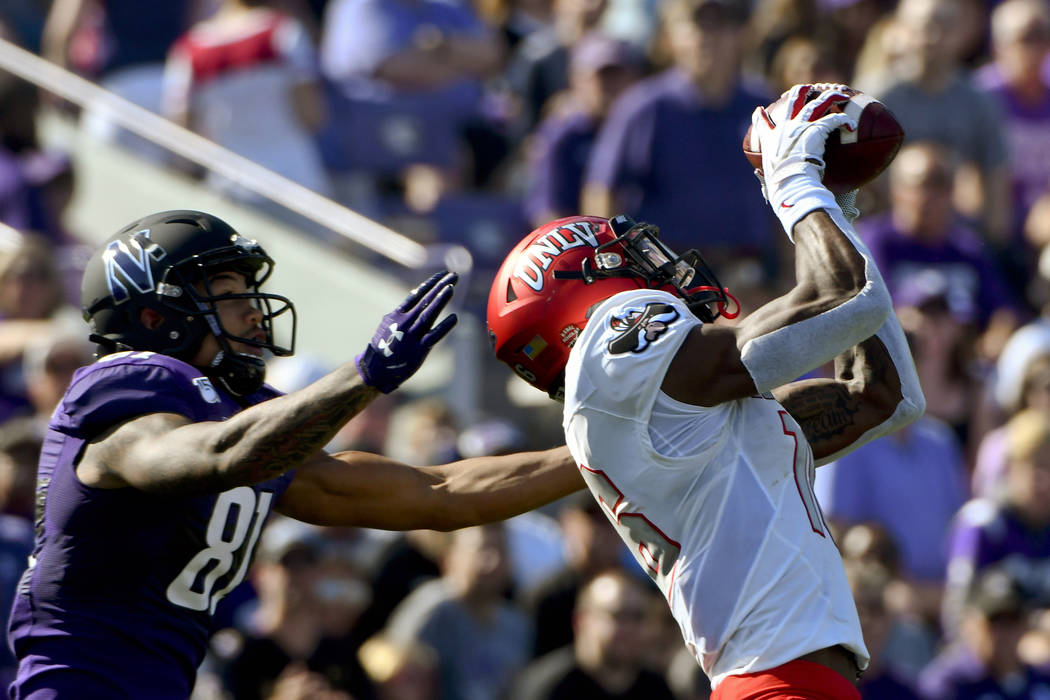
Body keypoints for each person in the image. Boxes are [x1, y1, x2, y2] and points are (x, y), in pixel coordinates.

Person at [6, 209, 582, 699]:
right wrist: (364, 377)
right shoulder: (127, 397)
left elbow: (434, 493)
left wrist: (591, 454)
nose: (254, 310)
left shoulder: (242, 418)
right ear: (157, 319)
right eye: (228, 294)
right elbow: (215, 455)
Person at [487, 84, 926, 697]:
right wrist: (793, 180)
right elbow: (845, 299)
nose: (652, 267)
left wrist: (835, 209)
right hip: (778, 683)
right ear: (576, 302)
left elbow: (882, 395)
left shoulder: (687, 420)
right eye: (621, 262)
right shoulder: (612, 362)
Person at [509, 569, 676, 700]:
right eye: (618, 616)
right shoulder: (546, 689)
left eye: (638, 616)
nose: (629, 627)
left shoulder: (657, 690)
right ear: (581, 621)